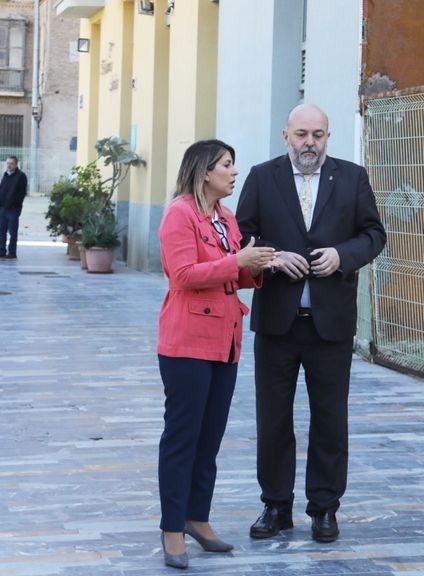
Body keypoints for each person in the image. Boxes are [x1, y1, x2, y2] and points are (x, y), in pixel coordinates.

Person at [235, 103, 386, 544]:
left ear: (327, 138)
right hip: (278, 323)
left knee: (330, 419)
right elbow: (242, 234)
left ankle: (324, 508)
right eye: (301, 134)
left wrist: (343, 256)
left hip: (331, 324)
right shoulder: (263, 178)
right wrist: (272, 256)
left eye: (318, 135)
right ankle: (275, 505)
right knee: (273, 420)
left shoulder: (352, 177)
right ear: (286, 136)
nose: (309, 143)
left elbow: (374, 234)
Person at [156, 139, 276, 569]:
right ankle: (173, 528)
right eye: (227, 165)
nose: (234, 172)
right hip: (187, 341)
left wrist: (255, 264)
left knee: (209, 438)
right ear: (205, 170)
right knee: (182, 438)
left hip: (225, 339)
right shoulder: (179, 214)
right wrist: (237, 260)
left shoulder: (226, 218)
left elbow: (232, 275)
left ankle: (196, 517)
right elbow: (184, 275)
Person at [0, 155, 28, 259]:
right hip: (3, 208)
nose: (9, 166)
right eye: (7, 163)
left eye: (11, 164)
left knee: (12, 231)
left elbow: (22, 193)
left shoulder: (21, 176)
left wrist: (15, 204)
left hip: (13, 209)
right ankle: (1, 250)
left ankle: (12, 252)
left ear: (16, 164)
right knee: (1, 230)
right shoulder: (6, 174)